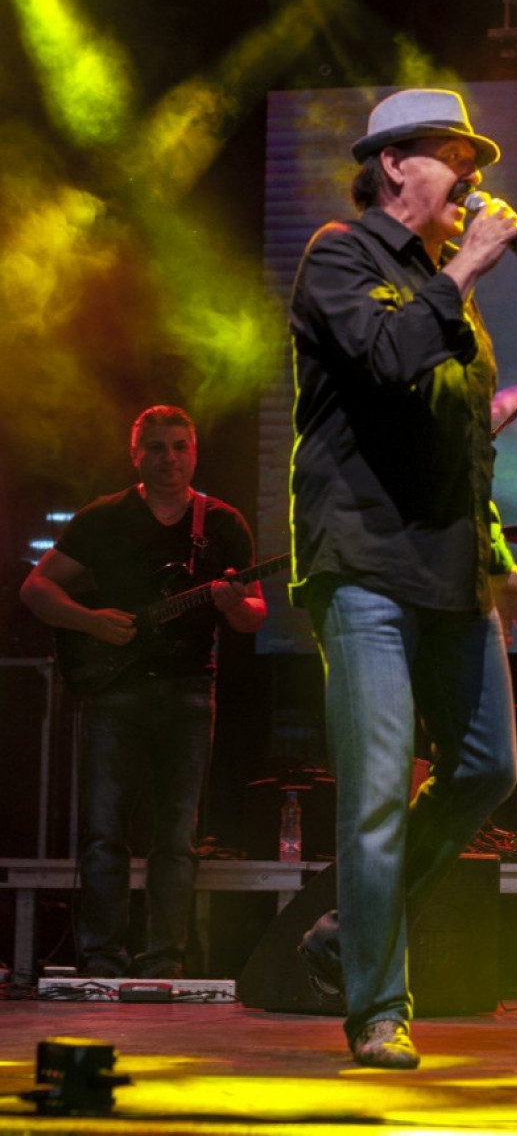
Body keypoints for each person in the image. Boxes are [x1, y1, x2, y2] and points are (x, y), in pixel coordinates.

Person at [288, 87, 517, 1069]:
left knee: (488, 766)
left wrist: (498, 559)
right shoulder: (339, 256)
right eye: (457, 157)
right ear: (395, 164)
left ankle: (350, 926)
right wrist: (467, 265)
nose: (474, 178)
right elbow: (385, 357)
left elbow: (465, 445)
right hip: (364, 559)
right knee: (374, 787)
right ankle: (378, 1007)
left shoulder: (455, 295)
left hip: (449, 567)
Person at [20, 404, 266, 979]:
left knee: (176, 835)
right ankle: (102, 958)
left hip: (190, 691)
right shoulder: (104, 517)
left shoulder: (222, 523)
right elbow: (36, 588)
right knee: (104, 830)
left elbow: (253, 616)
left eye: (180, 446)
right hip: (113, 691)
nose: (169, 458)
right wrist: (89, 621)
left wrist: (233, 604)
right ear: (135, 455)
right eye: (156, 447)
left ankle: (163, 960)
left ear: (194, 453)